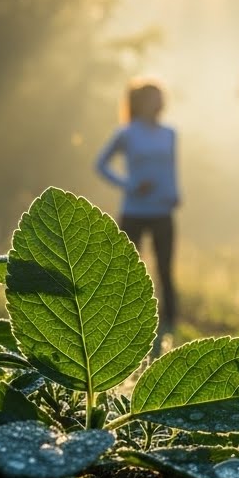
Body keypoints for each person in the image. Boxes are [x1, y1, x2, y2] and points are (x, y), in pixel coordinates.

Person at [95, 78, 180, 352]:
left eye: (159, 97)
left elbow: (171, 169)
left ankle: (170, 323)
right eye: (151, 97)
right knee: (128, 269)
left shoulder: (170, 133)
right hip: (134, 210)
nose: (157, 102)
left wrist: (175, 191)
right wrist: (129, 185)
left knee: (165, 268)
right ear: (139, 102)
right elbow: (101, 164)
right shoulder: (127, 133)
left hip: (163, 211)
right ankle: (124, 320)